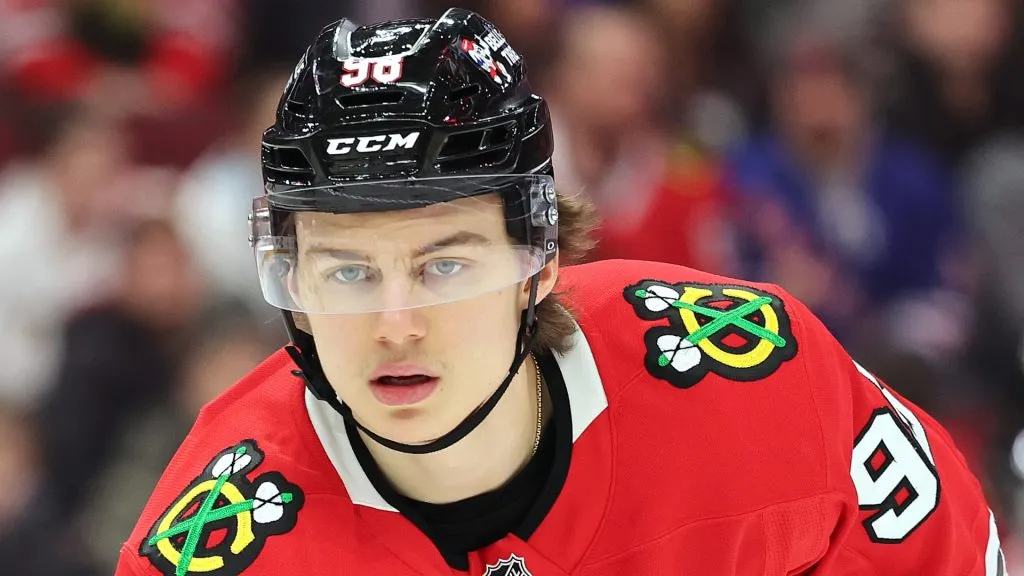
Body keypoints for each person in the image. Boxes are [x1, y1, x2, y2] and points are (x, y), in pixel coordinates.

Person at [116, 9, 1007, 575]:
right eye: (348, 271)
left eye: (446, 264)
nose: (394, 323)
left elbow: (955, 556)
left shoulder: (756, 378)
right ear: (294, 291)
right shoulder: (210, 554)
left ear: (539, 263)